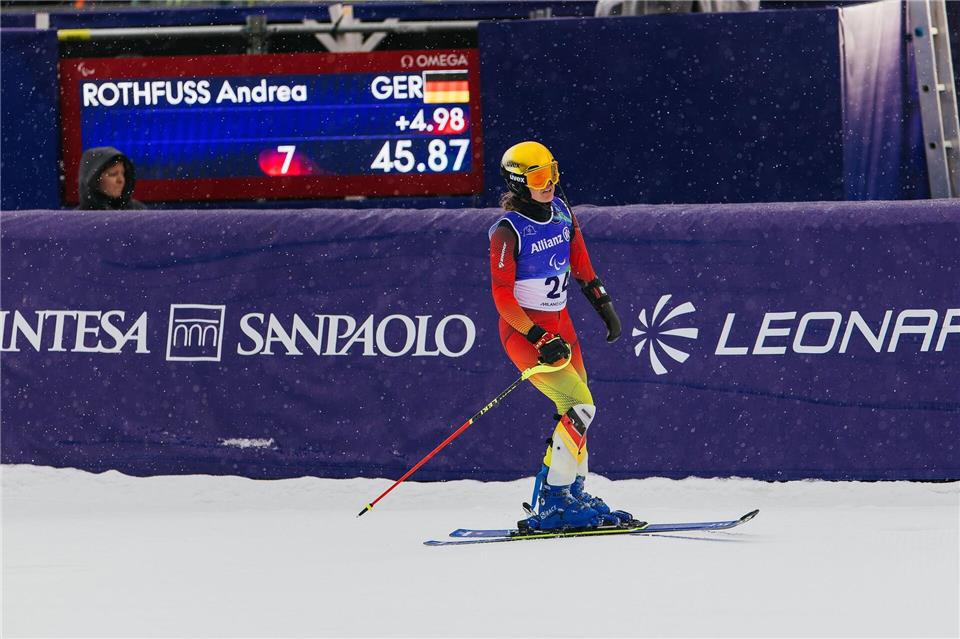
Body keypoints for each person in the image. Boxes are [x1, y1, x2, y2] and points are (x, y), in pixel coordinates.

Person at [488, 140, 633, 532]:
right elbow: (502, 298)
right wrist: (536, 336)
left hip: (561, 326)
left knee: (577, 413)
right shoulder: (508, 231)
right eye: (538, 177)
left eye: (552, 172)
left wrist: (605, 307)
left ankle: (572, 491)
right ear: (518, 183)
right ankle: (554, 502)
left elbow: (582, 264)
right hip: (524, 332)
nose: (548, 183)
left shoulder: (562, 214)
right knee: (580, 406)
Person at [77, 147, 146, 210]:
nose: (121, 180)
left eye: (123, 174)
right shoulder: (77, 220)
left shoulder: (139, 212)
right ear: (93, 180)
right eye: (113, 174)